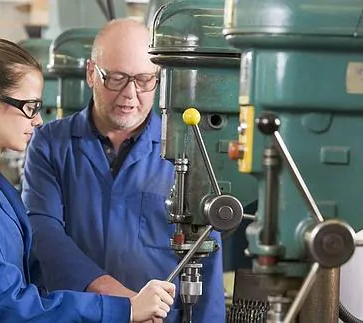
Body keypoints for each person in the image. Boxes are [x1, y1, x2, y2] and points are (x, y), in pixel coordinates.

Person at [0, 38, 176, 323]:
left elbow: (30, 287)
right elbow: (6, 305)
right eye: (30, 107)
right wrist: (125, 310)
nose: (36, 121)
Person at [22, 19, 225, 323]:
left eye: (144, 80)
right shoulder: (50, 144)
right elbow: (43, 232)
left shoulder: (188, 148)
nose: (130, 94)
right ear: (92, 73)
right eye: (116, 78)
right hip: (77, 315)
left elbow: (208, 254)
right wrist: (122, 300)